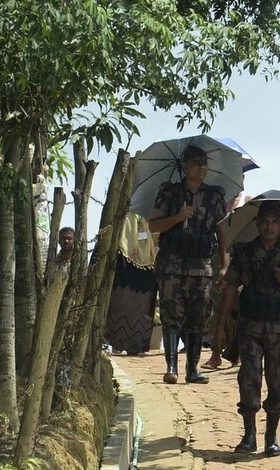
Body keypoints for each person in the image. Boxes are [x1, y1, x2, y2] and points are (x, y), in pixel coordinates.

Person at [216, 200, 280, 456]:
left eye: (275, 222)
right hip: (250, 325)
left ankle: (271, 436)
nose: (269, 227)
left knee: (278, 381)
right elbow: (229, 289)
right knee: (249, 379)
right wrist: (220, 326)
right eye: (265, 222)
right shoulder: (244, 252)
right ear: (257, 224)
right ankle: (249, 435)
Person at [149, 145, 228, 384]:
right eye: (196, 163)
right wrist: (178, 217)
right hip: (172, 265)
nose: (201, 168)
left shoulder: (215, 197)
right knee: (172, 316)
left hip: (201, 267)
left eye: (204, 163)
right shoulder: (170, 193)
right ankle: (171, 367)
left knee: (199, 318)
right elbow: (154, 226)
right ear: (185, 166)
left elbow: (222, 231)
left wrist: (224, 263)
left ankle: (192, 369)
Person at [203, 190, 251, 370]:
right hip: (220, 259)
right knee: (220, 306)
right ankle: (216, 353)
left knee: (241, 308)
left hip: (244, 259)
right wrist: (224, 265)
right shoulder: (218, 204)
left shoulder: (248, 203)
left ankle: (236, 352)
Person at [105, 213, 158, 355]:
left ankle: (137, 345)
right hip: (124, 259)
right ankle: (117, 344)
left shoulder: (148, 212)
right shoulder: (123, 211)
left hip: (147, 261)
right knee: (121, 302)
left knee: (142, 305)